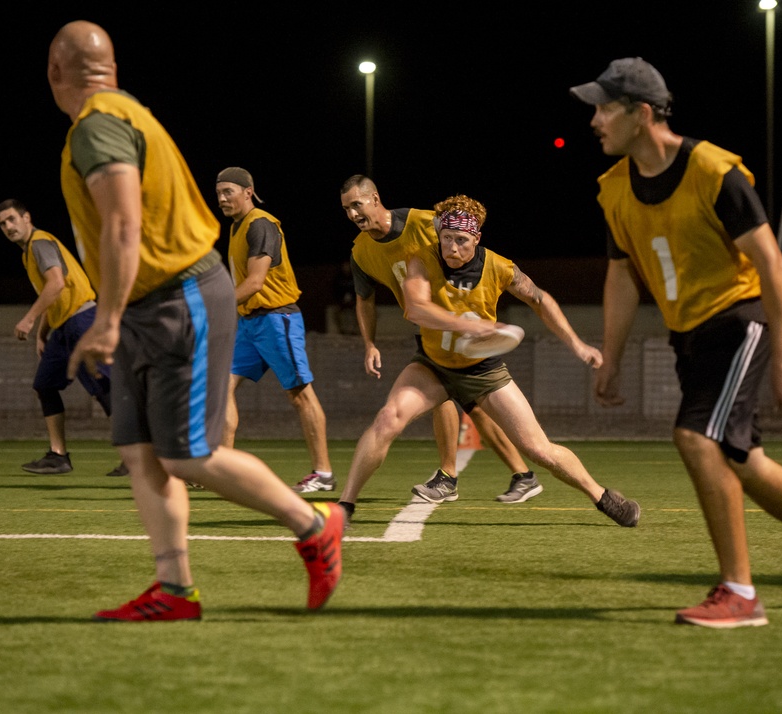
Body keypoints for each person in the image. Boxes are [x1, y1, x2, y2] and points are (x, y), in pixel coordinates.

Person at [47, 20, 343, 620]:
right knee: (139, 451)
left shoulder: (97, 126)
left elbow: (125, 225)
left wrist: (103, 321)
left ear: (56, 74)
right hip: (145, 303)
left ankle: (314, 521)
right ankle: (175, 590)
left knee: (186, 454)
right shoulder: (127, 112)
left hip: (173, 298)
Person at [570, 57, 782, 628]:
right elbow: (621, 277)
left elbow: (771, 264)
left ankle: (740, 592)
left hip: (739, 320)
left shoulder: (713, 171)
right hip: (689, 336)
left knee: (696, 437)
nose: (595, 121)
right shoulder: (613, 190)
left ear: (641, 114)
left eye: (605, 108)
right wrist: (611, 356)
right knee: (744, 458)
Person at [337, 194, 641, 529]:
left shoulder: (498, 267)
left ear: (477, 238)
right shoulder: (421, 258)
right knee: (387, 420)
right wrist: (471, 326)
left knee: (538, 448)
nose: (452, 248)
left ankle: (603, 498)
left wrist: (577, 345)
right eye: (447, 238)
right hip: (433, 366)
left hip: (483, 371)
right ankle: (345, 506)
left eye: (462, 241)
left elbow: (540, 300)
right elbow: (416, 308)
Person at [339, 175, 543, 506]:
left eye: (357, 205)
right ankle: (522, 475)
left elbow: (469, 247)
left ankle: (449, 477)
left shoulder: (423, 222)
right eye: (346, 209)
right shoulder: (361, 252)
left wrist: (481, 299)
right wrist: (370, 344)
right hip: (433, 330)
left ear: (375, 198)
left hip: (463, 325)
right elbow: (365, 300)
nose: (352, 214)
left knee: (453, 398)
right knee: (473, 407)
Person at [215, 167, 334, 493]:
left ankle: (323, 474)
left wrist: (212, 308)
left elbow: (255, 282)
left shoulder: (261, 225)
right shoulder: (237, 228)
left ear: (248, 192)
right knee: (220, 388)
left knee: (300, 395)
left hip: (276, 318)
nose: (223, 198)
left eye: (229, 191)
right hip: (250, 322)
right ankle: (222, 468)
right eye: (219, 193)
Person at [0, 198, 126, 478]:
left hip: (82, 320)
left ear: (26, 217)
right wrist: (43, 333)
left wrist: (29, 319)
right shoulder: (29, 252)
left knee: (105, 389)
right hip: (65, 326)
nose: (8, 226)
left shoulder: (40, 243)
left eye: (11, 219)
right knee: (44, 384)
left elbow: (56, 284)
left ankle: (136, 455)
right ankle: (58, 456)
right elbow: (53, 295)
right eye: (2, 224)